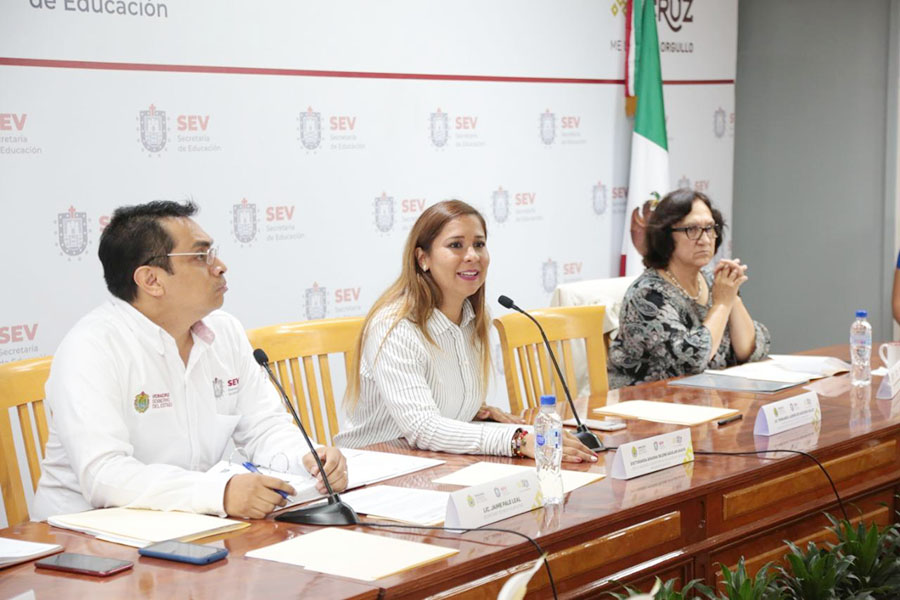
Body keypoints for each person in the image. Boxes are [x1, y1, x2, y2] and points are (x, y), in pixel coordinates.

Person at [33, 201, 347, 521]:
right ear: (151, 280)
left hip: (190, 522)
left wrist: (308, 459)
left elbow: (264, 428)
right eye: (200, 256)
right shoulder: (91, 347)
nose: (220, 266)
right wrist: (219, 493)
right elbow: (105, 474)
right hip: (84, 532)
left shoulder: (225, 331)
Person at [334, 200, 596, 463]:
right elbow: (423, 428)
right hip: (373, 467)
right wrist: (517, 439)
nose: (472, 256)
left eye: (479, 244)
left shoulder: (472, 318)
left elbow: (434, 410)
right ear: (423, 259)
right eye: (456, 245)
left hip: (432, 462)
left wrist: (477, 412)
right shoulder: (394, 326)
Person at [608, 189, 770, 388]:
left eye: (709, 228)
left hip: (709, 396)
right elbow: (691, 363)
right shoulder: (648, 295)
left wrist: (732, 296)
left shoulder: (713, 281)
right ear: (665, 236)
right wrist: (721, 305)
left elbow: (751, 351)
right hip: (650, 400)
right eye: (692, 229)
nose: (705, 240)